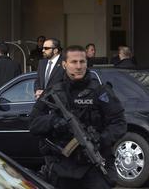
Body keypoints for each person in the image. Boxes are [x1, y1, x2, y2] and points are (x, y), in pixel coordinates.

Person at [29, 45, 127, 189]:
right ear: (64, 64)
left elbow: (119, 123)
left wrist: (100, 140)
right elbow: (33, 123)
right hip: (62, 168)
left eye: (82, 62)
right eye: (74, 62)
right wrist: (53, 121)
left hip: (93, 169)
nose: (79, 66)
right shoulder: (53, 92)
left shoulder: (100, 92)